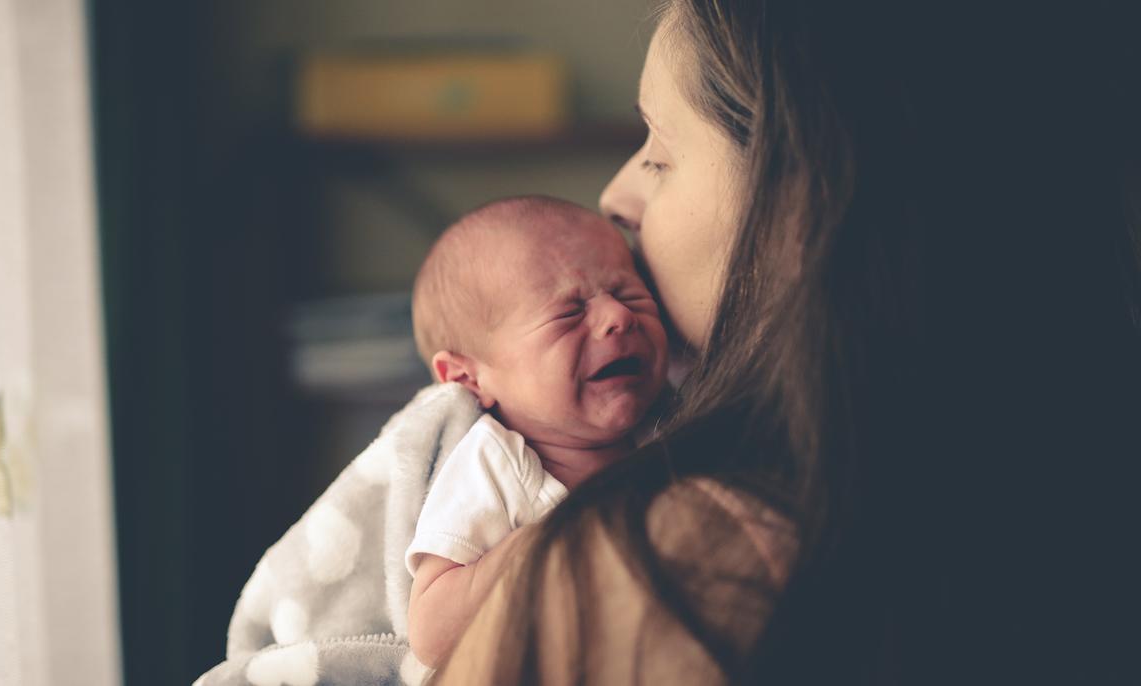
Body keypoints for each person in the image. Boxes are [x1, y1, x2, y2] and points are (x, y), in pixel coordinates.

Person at [425, 1, 1141, 684]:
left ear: (804, 201)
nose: (613, 198)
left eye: (661, 154)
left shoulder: (666, 573)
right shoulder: (1073, 481)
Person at [406, 195, 669, 666]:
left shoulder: (672, 425)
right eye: (569, 313)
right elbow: (432, 633)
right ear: (469, 378)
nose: (618, 317)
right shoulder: (495, 466)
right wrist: (546, 542)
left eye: (630, 293)